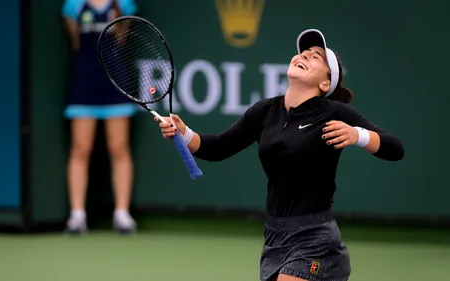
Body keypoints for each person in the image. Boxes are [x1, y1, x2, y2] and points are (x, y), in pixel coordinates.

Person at [155, 29, 404, 281]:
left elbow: (395, 149)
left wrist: (357, 135)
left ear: (325, 84)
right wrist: (184, 133)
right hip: (275, 237)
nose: (305, 55)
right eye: (303, 52)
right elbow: (217, 148)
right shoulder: (264, 111)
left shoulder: (333, 113)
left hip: (315, 238)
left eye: (316, 56)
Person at [61, 0, 139, 235]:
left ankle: (122, 215)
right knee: (80, 148)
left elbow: (122, 39)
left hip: (115, 83)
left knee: (119, 147)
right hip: (84, 82)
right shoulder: (74, 5)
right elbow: (75, 42)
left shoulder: (123, 4)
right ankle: (77, 216)